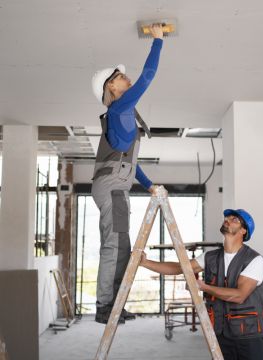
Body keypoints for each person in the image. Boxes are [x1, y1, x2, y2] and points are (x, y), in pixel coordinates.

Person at [91, 24, 164, 324]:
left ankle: (113, 304)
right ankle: (105, 306)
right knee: (115, 244)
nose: (126, 78)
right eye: (120, 77)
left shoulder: (122, 115)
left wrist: (147, 184)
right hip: (112, 187)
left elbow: (129, 164)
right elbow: (147, 78)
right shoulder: (120, 109)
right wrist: (158, 41)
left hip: (113, 184)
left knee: (120, 244)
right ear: (112, 88)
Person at [140, 208, 263, 360]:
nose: (228, 220)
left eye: (235, 220)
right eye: (227, 217)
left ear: (243, 231)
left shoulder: (254, 260)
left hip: (248, 335)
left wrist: (203, 287)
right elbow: (179, 267)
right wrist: (145, 262)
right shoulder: (210, 257)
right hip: (220, 333)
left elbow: (240, 296)